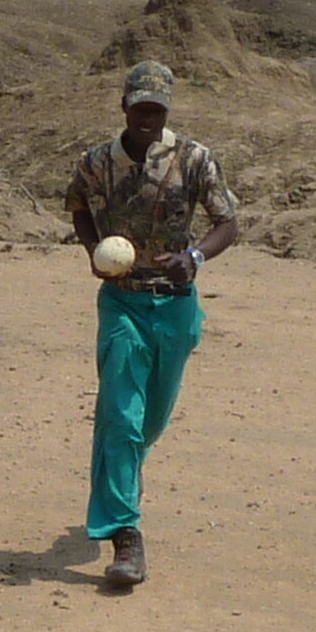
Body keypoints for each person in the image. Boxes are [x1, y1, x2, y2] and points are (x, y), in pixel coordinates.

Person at [65, 58, 241, 589]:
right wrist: (96, 249)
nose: (147, 116)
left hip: (176, 307)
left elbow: (227, 221)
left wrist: (196, 257)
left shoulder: (193, 159)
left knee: (149, 423)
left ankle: (121, 478)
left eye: (156, 109)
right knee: (120, 413)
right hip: (122, 302)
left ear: (165, 111)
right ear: (124, 106)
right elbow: (77, 207)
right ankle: (126, 536)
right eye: (139, 107)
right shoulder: (98, 162)